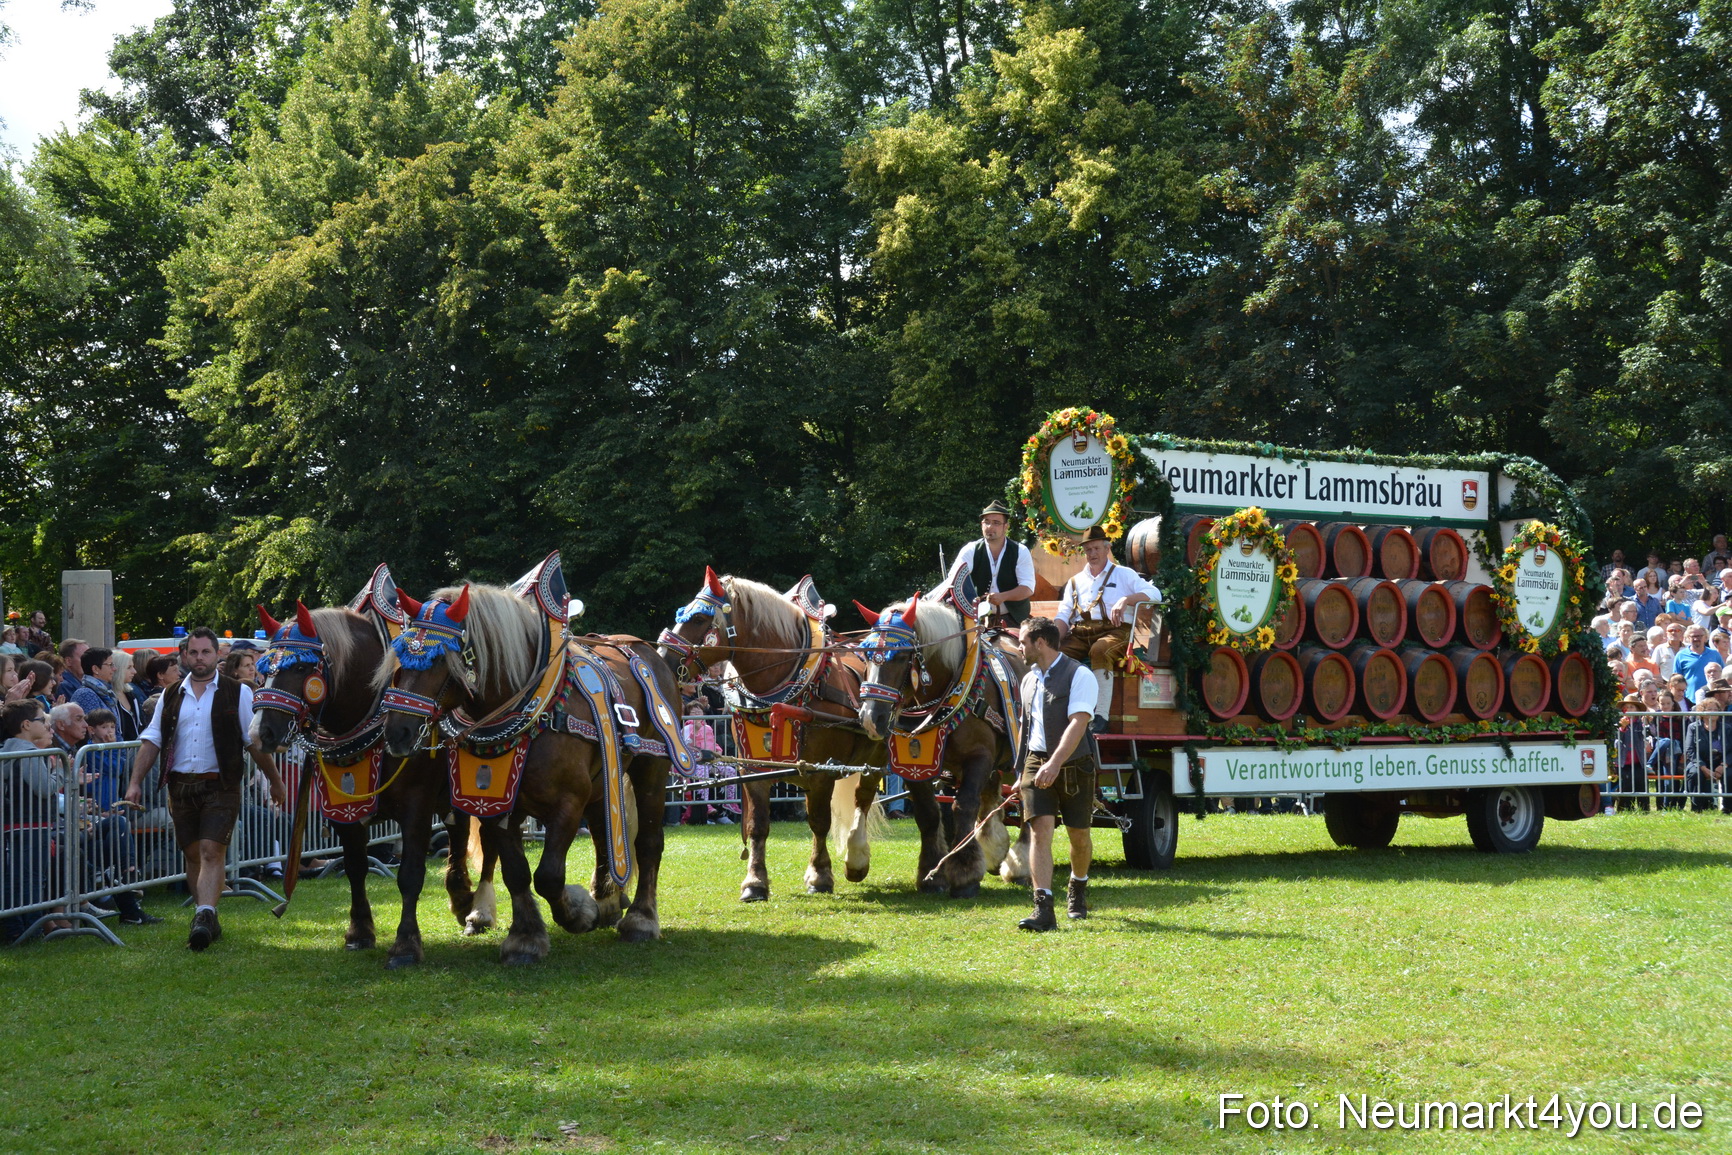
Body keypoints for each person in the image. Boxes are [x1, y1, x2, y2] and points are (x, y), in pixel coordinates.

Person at [124, 627, 285, 951]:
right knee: (193, 854)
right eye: (194, 653)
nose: (199, 658)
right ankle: (208, 917)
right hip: (180, 787)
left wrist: (276, 781)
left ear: (216, 655)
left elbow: (252, 743)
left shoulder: (237, 692)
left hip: (221, 784)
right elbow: (152, 740)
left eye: (206, 652)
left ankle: (203, 915)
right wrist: (135, 782)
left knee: (212, 851)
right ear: (185, 656)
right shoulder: (171, 695)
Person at [1013, 615, 1099, 931]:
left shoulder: (1080, 675)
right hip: (1036, 761)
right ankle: (1043, 908)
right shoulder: (1028, 680)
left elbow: (1078, 723)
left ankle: (1078, 885)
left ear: (1040, 642)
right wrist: (1020, 771)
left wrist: (1055, 764)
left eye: (1022, 641)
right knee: (1040, 831)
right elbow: (1026, 726)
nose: (1020, 647)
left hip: (1075, 763)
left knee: (1079, 836)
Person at [1053, 525, 1160, 734]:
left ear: (1107, 548)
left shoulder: (1123, 574)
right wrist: (1053, 641)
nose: (1092, 554)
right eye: (1088, 550)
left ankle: (1101, 716)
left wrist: (1127, 600)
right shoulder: (1076, 581)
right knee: (1055, 657)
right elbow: (1063, 615)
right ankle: (1059, 712)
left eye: (1096, 549)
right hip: (1081, 633)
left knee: (1100, 650)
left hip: (1116, 631)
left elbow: (1155, 593)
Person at [945, 499, 1036, 630]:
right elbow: (953, 581)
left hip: (1014, 618)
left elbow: (1027, 588)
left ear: (1006, 526)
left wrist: (1003, 596)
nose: (990, 527)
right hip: (977, 618)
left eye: (996, 523)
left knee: (1022, 648)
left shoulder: (1020, 551)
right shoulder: (971, 550)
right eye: (986, 522)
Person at [1682, 698, 1729, 813]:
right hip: (1699, 762)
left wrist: (1723, 766)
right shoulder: (1693, 727)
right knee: (1695, 773)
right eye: (1710, 709)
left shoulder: (1727, 728)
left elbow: (1731, 750)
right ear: (1702, 712)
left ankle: (1728, 807)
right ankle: (1697, 807)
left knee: (1730, 774)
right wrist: (1703, 767)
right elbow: (1690, 749)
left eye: (1716, 709)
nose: (1713, 712)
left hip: (1722, 763)